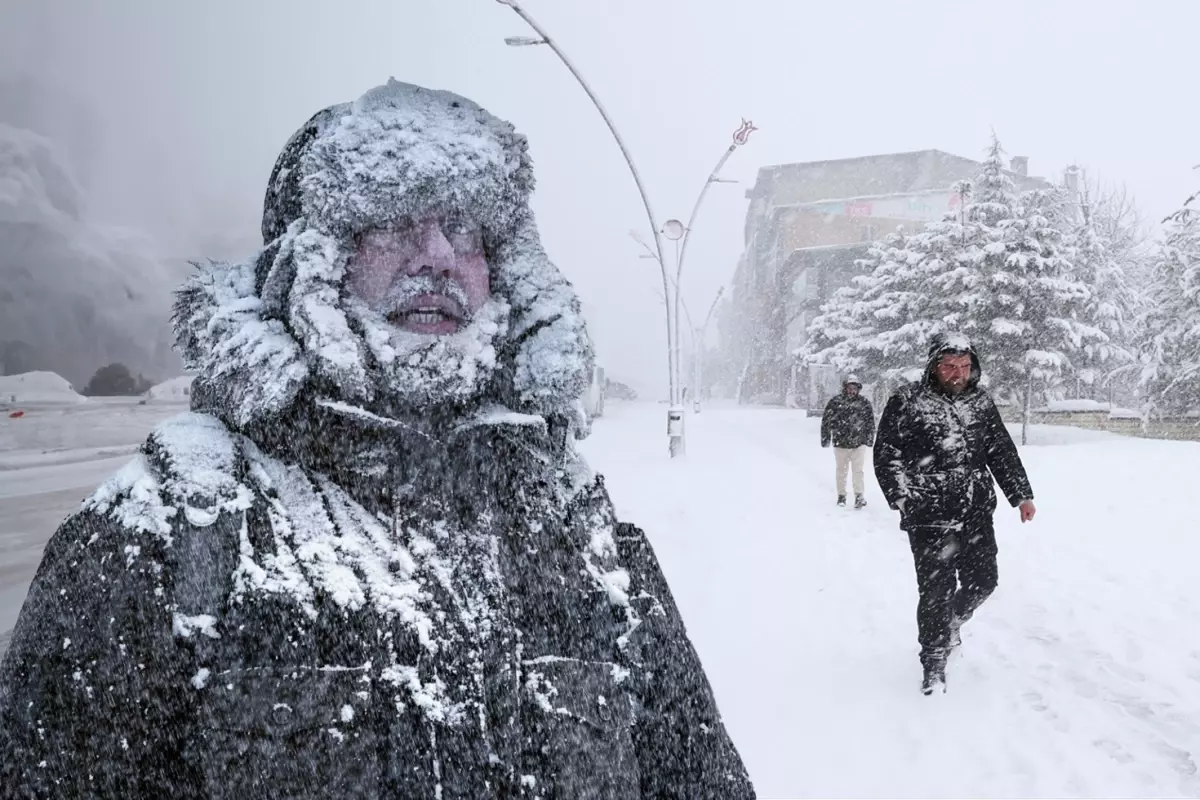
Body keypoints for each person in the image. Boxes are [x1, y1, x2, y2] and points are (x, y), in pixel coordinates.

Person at [0, 80, 755, 799]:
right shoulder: (165, 536)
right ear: (313, 263)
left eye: (465, 228)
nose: (437, 255)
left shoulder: (579, 528)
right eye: (393, 221)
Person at [873, 333, 1035, 695]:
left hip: (976, 510)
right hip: (929, 514)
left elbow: (1001, 450)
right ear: (934, 365)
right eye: (949, 366)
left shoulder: (980, 401)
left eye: (964, 366)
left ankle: (952, 623)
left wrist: (1020, 494)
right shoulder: (908, 400)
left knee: (985, 581)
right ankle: (933, 662)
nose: (957, 373)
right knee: (936, 591)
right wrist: (902, 498)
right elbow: (887, 454)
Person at [820, 374, 875, 509]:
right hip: (841, 444)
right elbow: (826, 421)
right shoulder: (835, 402)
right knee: (841, 471)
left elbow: (870, 423)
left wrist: (869, 439)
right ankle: (841, 496)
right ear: (845, 388)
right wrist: (825, 439)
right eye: (849, 388)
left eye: (854, 388)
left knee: (858, 471)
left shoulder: (864, 403)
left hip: (858, 443)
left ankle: (859, 496)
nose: (852, 390)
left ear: (858, 389)